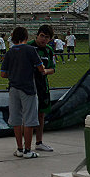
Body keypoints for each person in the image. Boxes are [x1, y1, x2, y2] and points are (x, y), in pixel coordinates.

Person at [0, 27, 45, 159]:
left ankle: (19, 148)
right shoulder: (31, 50)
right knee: (29, 118)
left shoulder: (10, 52)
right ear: (26, 36)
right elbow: (40, 68)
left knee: (16, 119)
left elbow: (3, 74)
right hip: (28, 87)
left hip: (13, 88)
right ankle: (27, 150)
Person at [28, 24, 56, 152]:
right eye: (42, 36)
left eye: (47, 37)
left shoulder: (49, 50)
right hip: (28, 86)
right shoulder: (28, 47)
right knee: (27, 114)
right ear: (37, 35)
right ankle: (25, 144)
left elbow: (53, 69)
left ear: (50, 39)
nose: (43, 39)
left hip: (42, 86)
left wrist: (45, 71)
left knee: (41, 114)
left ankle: (39, 142)